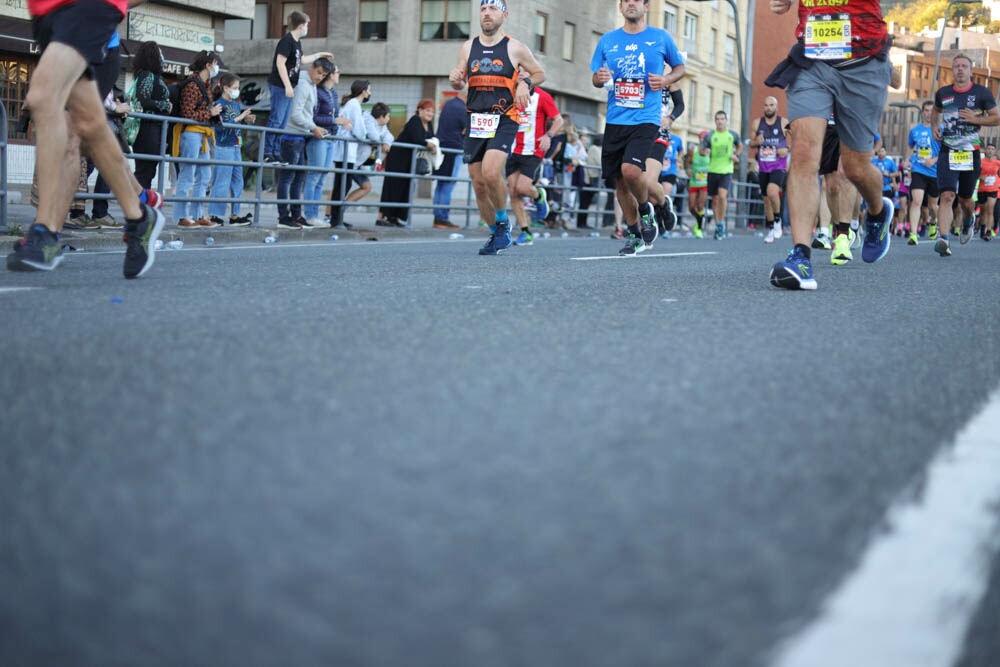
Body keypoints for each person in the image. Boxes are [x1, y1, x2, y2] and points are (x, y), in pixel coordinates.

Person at [8, 0, 164, 278]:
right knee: (89, 126)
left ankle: (45, 232)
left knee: (44, 98)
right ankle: (139, 215)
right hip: (46, 13)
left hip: (88, 9)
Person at [765, 0, 895, 290]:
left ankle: (877, 212)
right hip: (814, 60)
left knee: (855, 168)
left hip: (863, 63)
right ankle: (801, 255)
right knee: (803, 153)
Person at [449, 0, 546, 255]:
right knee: (479, 183)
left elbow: (539, 73)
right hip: (476, 118)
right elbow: (461, 81)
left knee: (492, 173)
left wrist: (525, 84)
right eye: (483, 9)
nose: (487, 14)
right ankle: (496, 235)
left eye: (492, 9)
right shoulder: (468, 47)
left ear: (504, 15)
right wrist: (456, 79)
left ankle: (503, 223)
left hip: (504, 117)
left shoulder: (516, 48)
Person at [591, 0, 685, 256]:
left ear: (646, 6)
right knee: (620, 183)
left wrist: (665, 79)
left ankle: (647, 210)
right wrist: (598, 79)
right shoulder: (608, 40)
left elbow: (680, 67)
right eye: (625, 0)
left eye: (637, 0)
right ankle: (634, 235)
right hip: (615, 119)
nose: (630, 3)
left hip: (646, 119)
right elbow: (596, 77)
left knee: (632, 171)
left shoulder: (660, 37)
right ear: (621, 7)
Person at [930, 53, 999, 257]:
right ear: (952, 70)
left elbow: (996, 118)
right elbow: (936, 110)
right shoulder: (944, 93)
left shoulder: (982, 93)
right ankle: (943, 239)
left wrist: (976, 118)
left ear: (970, 70)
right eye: (957, 66)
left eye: (964, 66)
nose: (960, 69)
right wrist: (934, 125)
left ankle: (968, 221)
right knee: (947, 195)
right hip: (948, 151)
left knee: (965, 198)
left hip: (971, 153)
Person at [263, 11, 333, 164]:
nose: (307, 28)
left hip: (288, 87)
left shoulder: (296, 43)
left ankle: (275, 152)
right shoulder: (286, 41)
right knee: (277, 119)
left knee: (282, 122)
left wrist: (319, 55)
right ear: (301, 26)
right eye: (307, 25)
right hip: (280, 85)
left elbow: (300, 60)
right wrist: (287, 85)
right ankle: (268, 152)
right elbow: (280, 63)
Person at [276, 57, 334, 229]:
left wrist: (312, 127)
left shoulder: (311, 85)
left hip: (300, 135)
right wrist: (313, 127)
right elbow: (295, 113)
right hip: (291, 135)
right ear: (312, 67)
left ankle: (295, 215)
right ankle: (284, 217)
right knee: (288, 177)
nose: (319, 77)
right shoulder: (302, 84)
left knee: (298, 178)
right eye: (318, 73)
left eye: (323, 75)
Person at [507, 85, 560, 243]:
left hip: (533, 150)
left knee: (522, 188)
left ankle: (538, 195)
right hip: (512, 149)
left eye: (525, 70)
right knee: (513, 192)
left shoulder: (542, 96)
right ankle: (526, 232)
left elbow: (559, 120)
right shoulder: (510, 93)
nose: (521, 74)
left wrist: (548, 135)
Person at [378, 98, 437, 227]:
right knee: (392, 186)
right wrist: (428, 144)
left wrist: (432, 144)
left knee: (405, 187)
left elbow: (432, 138)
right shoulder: (415, 120)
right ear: (420, 110)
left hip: (409, 159)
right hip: (398, 157)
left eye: (432, 111)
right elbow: (417, 139)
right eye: (427, 110)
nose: (430, 114)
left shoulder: (429, 124)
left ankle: (395, 217)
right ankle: (382, 217)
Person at [207, 73, 255, 226]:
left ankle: (235, 215)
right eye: (235, 88)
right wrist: (241, 118)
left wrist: (246, 120)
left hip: (236, 146)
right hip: (224, 146)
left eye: (238, 88)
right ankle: (215, 214)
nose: (237, 91)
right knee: (221, 181)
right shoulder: (218, 104)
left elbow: (237, 124)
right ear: (226, 88)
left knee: (237, 181)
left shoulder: (235, 104)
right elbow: (223, 126)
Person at [329, 79, 373, 229]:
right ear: (363, 91)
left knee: (343, 184)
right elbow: (360, 131)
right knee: (342, 184)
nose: (370, 93)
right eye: (369, 89)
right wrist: (367, 137)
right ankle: (335, 219)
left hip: (346, 151)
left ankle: (337, 218)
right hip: (344, 152)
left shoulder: (352, 104)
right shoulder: (354, 105)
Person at [302, 65, 342, 227]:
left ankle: (314, 215)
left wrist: (336, 124)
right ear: (330, 75)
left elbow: (336, 116)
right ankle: (309, 215)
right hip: (318, 137)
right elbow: (314, 117)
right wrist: (334, 121)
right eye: (337, 72)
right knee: (314, 176)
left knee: (321, 178)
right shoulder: (318, 92)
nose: (339, 75)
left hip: (330, 138)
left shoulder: (333, 93)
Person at [132, 41, 172, 191]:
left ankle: (141, 206)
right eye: (160, 53)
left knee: (148, 171)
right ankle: (138, 207)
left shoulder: (153, 76)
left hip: (154, 128)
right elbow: (144, 100)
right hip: (147, 128)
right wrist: (165, 105)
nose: (162, 57)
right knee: (145, 171)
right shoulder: (147, 75)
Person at [750, 96, 790, 244]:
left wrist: (786, 149)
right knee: (766, 199)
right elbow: (751, 143)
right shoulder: (757, 123)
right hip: (763, 166)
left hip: (778, 165)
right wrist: (756, 141)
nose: (769, 108)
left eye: (771, 105)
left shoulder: (783, 122)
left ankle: (778, 220)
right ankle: (772, 227)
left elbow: (795, 139)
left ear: (776, 107)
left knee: (773, 190)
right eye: (766, 105)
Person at [700, 110, 741, 240]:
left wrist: (736, 155)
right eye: (717, 119)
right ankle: (718, 225)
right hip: (713, 170)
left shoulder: (732, 134)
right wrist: (704, 151)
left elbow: (739, 146)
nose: (720, 121)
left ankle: (722, 222)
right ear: (715, 121)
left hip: (727, 170)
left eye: (722, 119)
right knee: (715, 199)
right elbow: (701, 149)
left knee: (722, 196)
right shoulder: (710, 135)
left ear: (726, 120)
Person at [432, 87, 468, 231]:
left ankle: (438, 216)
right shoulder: (462, 109)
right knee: (448, 185)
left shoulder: (448, 104)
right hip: (454, 149)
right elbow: (467, 130)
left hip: (442, 148)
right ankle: (443, 218)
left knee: (441, 184)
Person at [905, 100, 940, 245]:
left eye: (932, 111)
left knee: (933, 206)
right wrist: (907, 160)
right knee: (916, 202)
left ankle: (933, 222)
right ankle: (913, 233)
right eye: (926, 110)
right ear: (922, 112)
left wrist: (933, 160)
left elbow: (945, 151)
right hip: (918, 170)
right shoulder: (915, 130)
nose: (929, 113)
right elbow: (909, 146)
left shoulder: (940, 130)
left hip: (935, 172)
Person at [653, 111, 684, 234]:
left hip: (670, 170)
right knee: (655, 197)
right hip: (657, 169)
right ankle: (656, 221)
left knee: (665, 194)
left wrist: (680, 158)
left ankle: (663, 224)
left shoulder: (677, 139)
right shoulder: (655, 136)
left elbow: (682, 152)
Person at [686, 136, 709, 238]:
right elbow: (688, 162)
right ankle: (700, 219)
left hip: (704, 184)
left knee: (700, 206)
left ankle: (698, 228)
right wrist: (688, 170)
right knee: (691, 207)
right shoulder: (693, 150)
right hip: (694, 182)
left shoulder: (711, 153)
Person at [977, 143, 1000, 241]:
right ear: (985, 150)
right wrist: (980, 177)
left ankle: (988, 231)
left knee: (990, 210)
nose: (990, 151)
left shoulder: (997, 163)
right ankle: (982, 229)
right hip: (982, 189)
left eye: (992, 149)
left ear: (994, 151)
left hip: (993, 190)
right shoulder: (980, 162)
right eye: (989, 149)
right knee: (983, 212)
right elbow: (974, 174)